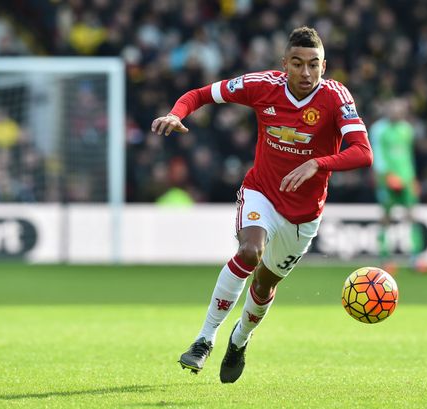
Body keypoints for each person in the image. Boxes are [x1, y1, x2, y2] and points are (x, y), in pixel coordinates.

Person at [151, 27, 373, 383]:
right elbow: (200, 94)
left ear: (324, 66)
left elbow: (363, 153)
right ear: (284, 63)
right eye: (297, 64)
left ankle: (239, 340)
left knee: (265, 286)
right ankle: (204, 340)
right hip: (262, 194)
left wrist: (318, 163)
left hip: (303, 216)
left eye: (314, 65)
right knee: (250, 252)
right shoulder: (262, 85)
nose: (306, 73)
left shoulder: (335, 97)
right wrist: (178, 113)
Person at [369, 97, 427, 274]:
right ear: (387, 110)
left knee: (412, 216)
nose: (397, 112)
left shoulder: (407, 129)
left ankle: (416, 259)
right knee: (386, 217)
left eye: (400, 109)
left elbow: (408, 156)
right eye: (393, 109)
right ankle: (385, 257)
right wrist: (384, 176)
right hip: (387, 180)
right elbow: (376, 154)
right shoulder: (379, 129)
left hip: (406, 179)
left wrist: (413, 178)